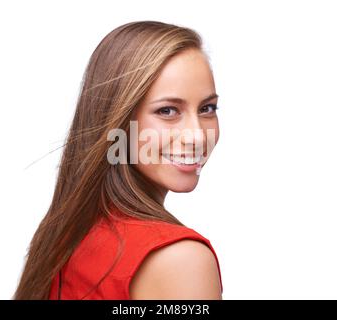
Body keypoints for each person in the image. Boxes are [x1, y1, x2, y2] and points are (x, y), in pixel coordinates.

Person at [13, 20, 223, 300]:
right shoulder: (180, 259)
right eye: (168, 111)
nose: (197, 136)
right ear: (117, 120)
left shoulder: (65, 236)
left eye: (207, 108)